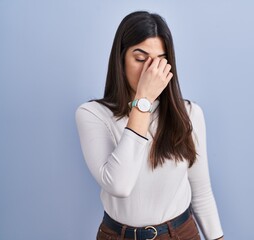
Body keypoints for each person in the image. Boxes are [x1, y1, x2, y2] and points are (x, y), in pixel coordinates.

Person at [75, 11, 224, 240]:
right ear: (121, 58)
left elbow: (202, 193)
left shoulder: (190, 114)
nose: (150, 71)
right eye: (141, 58)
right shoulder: (93, 115)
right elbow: (120, 185)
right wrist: (143, 101)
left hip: (180, 233)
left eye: (159, 61)